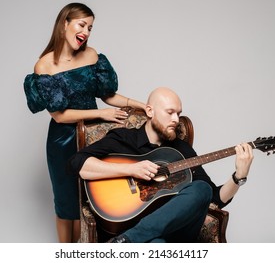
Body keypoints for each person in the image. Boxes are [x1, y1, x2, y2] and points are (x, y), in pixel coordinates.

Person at [23, 2, 145, 243]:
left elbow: (108, 95)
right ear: (64, 24)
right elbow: (59, 115)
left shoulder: (92, 55)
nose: (86, 32)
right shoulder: (44, 65)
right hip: (63, 141)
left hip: (93, 137)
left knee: (90, 199)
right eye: (82, 25)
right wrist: (100, 114)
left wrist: (140, 104)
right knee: (66, 202)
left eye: (90, 28)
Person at [68, 87, 254, 243]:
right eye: (170, 112)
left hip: (175, 232)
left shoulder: (182, 150)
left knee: (202, 188)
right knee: (157, 244)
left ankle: (126, 242)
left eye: (179, 114)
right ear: (150, 111)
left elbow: (213, 198)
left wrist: (239, 176)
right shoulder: (124, 138)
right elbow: (78, 164)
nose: (176, 120)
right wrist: (131, 169)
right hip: (134, 227)